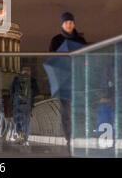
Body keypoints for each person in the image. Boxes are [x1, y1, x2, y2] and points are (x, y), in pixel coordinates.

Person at [49, 12, 87, 153]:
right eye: (66, 22)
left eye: (71, 22)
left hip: (78, 79)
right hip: (63, 79)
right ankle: (69, 137)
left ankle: (78, 134)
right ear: (62, 24)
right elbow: (51, 59)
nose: (69, 24)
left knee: (78, 109)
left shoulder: (81, 41)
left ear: (74, 24)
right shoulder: (56, 40)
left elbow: (85, 59)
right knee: (66, 111)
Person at [10, 67, 39, 146]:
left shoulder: (16, 79)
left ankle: (19, 134)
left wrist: (13, 101)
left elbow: (11, 91)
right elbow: (37, 91)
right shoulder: (32, 80)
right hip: (27, 104)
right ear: (29, 72)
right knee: (26, 121)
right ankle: (25, 138)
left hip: (17, 104)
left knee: (18, 120)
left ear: (21, 72)